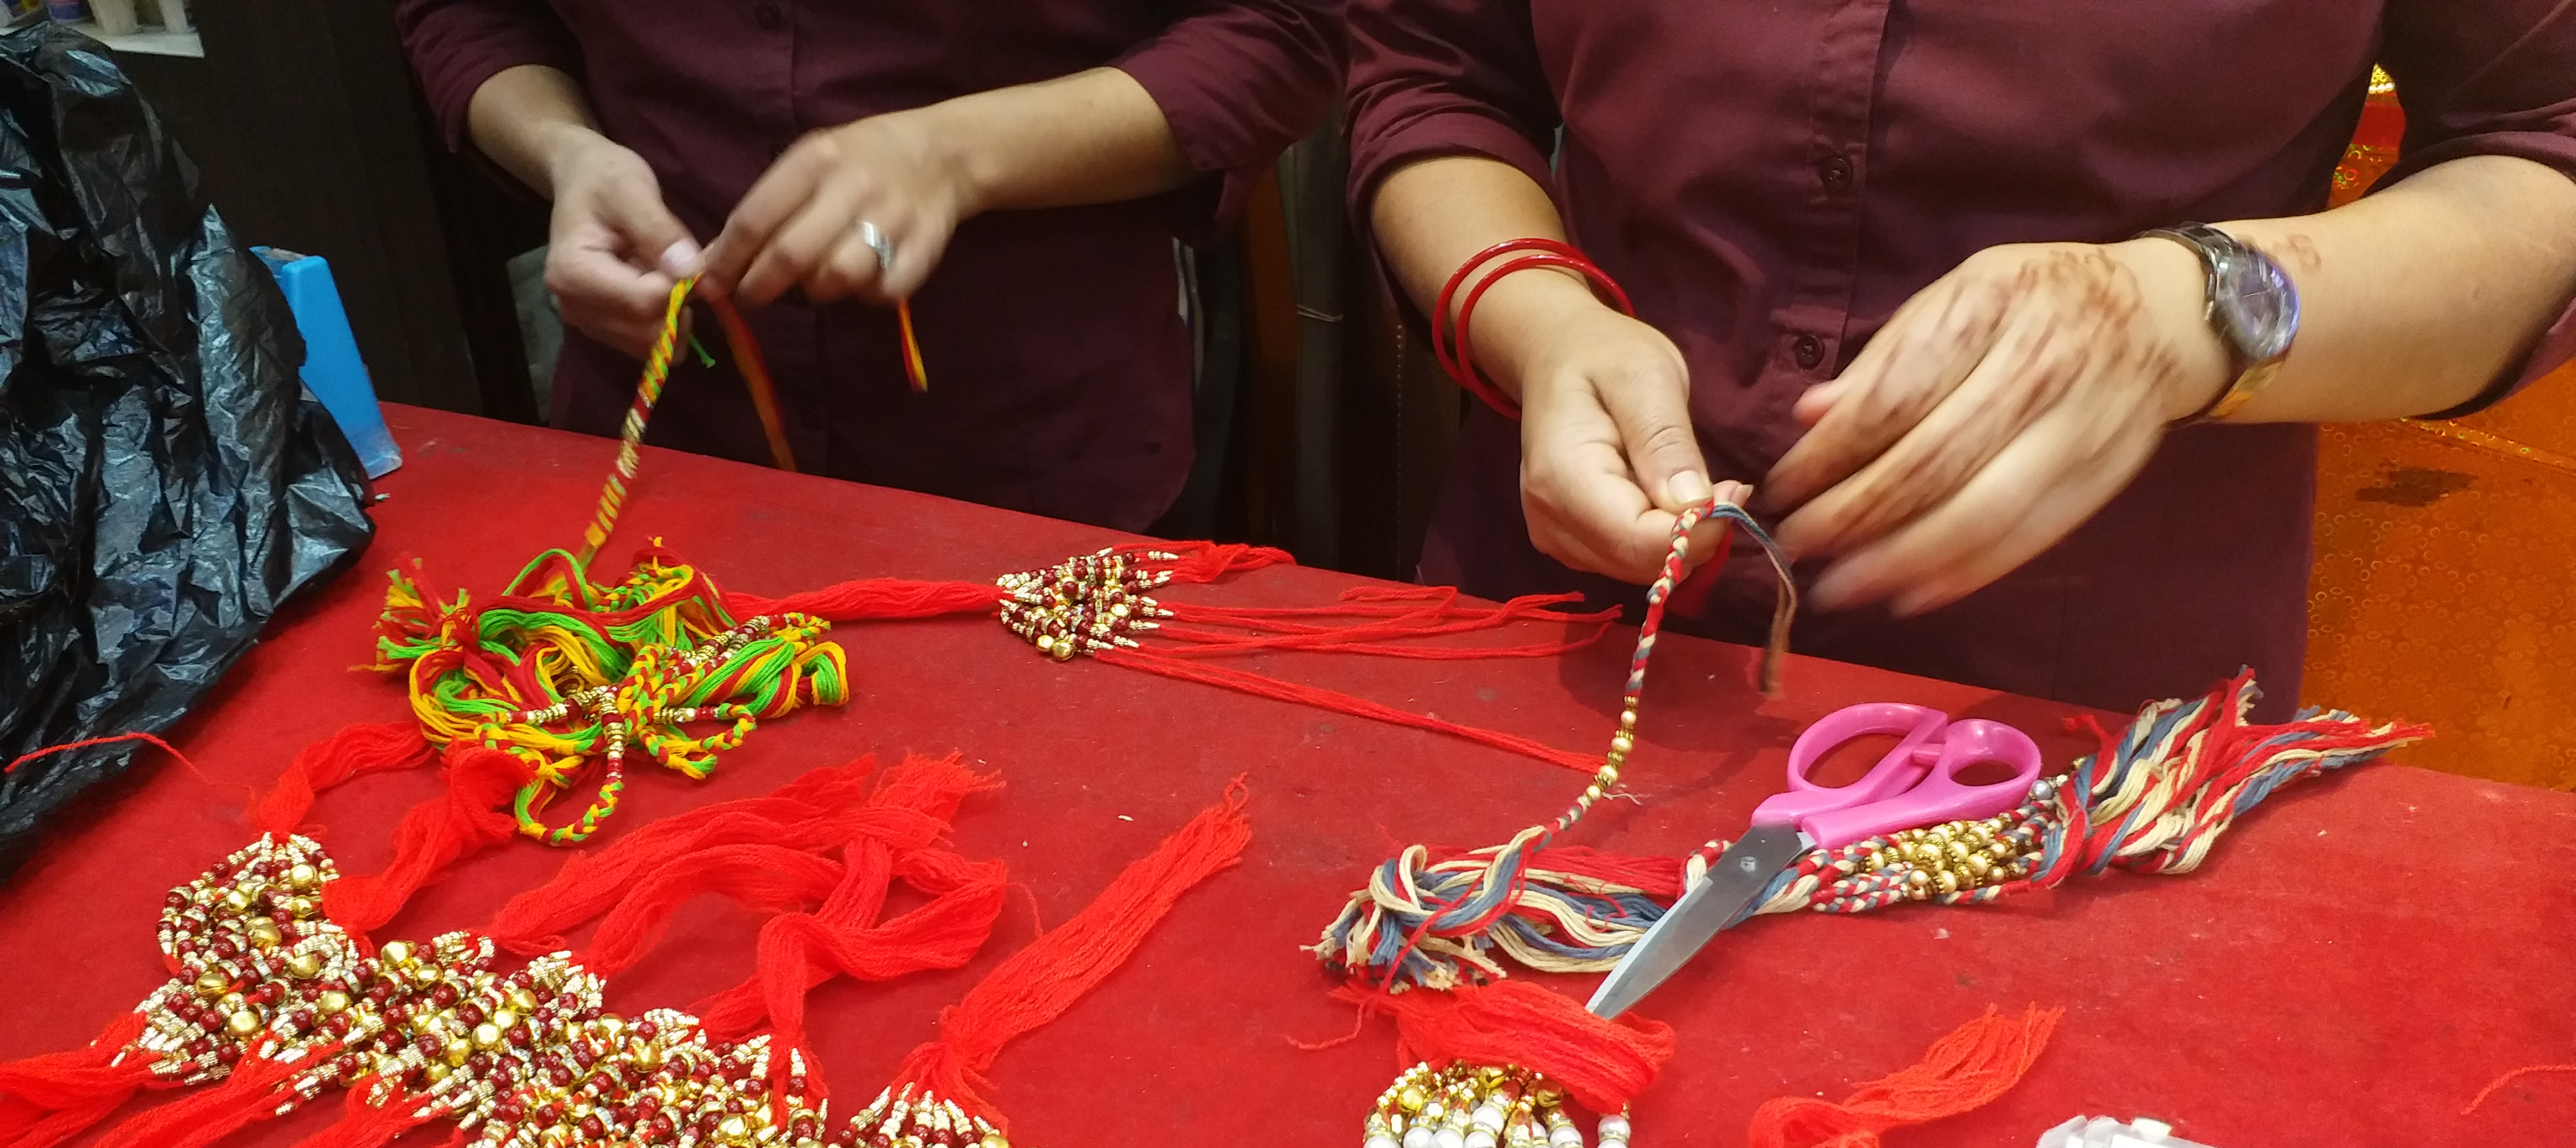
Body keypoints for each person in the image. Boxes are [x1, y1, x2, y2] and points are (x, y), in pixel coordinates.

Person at [1346, 2, 2576, 715]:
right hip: (1557, 640)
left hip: (2076, 716)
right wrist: (1539, 319)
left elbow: (2545, 152)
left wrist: (2193, 307)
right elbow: (1437, 76)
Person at [396, 1, 1343, 531]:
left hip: (1029, 476)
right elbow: (470, 14)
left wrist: (957, 156)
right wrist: (565, 152)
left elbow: (1286, 33)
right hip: (666, 464)